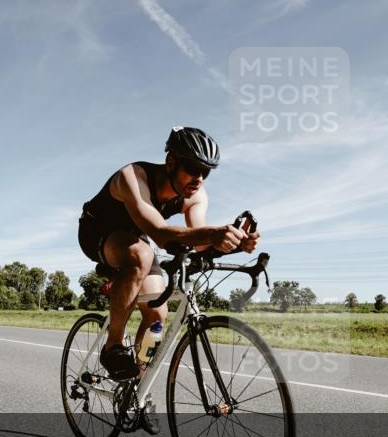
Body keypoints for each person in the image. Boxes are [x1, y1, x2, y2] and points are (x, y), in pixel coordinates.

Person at [78, 127, 259, 383]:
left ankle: (136, 389)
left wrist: (236, 243)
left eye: (206, 172)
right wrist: (214, 233)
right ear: (171, 162)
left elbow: (198, 241)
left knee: (157, 315)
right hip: (97, 230)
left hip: (135, 238)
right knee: (142, 253)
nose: (199, 178)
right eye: (193, 169)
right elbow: (161, 234)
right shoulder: (133, 176)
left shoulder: (195, 196)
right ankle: (113, 346)